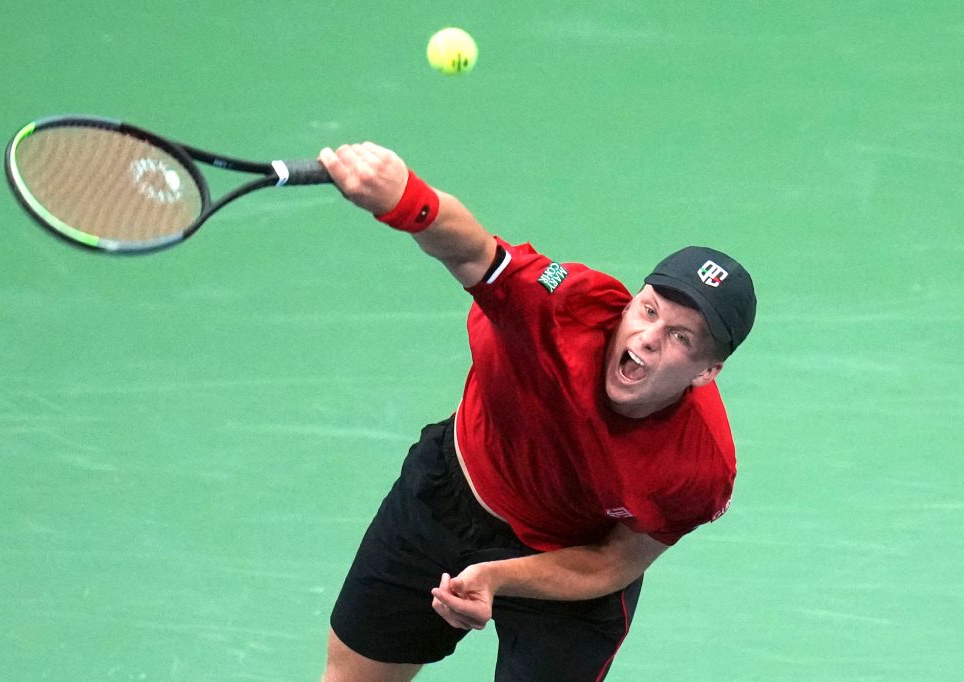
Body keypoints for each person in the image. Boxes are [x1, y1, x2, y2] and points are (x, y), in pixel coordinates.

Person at [315, 142, 757, 682]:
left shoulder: (698, 467)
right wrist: (408, 199)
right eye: (648, 310)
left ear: (705, 372)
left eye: (680, 336)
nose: (648, 337)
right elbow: (473, 252)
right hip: (450, 493)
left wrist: (500, 577)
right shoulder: (562, 306)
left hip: (570, 561)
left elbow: (615, 562)